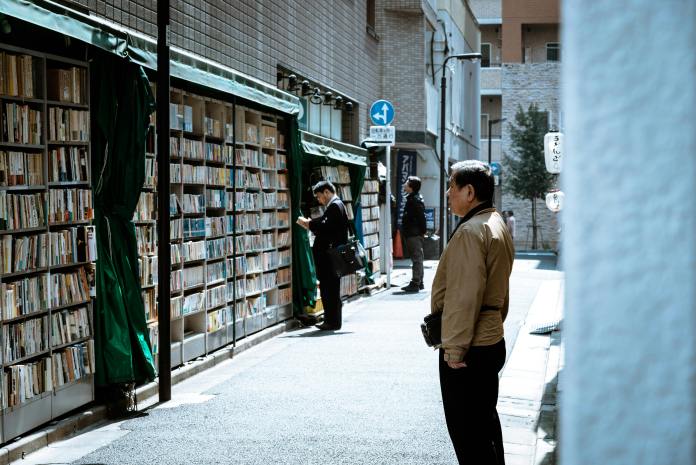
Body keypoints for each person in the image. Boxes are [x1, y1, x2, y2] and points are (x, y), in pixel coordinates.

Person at [431, 160, 514, 464]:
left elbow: (463, 297)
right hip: (490, 337)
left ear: (469, 191)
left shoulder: (471, 231)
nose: (448, 192)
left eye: (451, 185)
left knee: (468, 434)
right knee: (485, 426)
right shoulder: (496, 223)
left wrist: (454, 349)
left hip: (469, 346)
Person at [296, 180, 349, 331]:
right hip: (330, 256)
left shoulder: (334, 206)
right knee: (330, 289)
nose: (319, 200)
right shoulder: (336, 206)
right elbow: (326, 224)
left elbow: (325, 227)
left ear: (327, 192)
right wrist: (313, 223)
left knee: (329, 289)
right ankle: (332, 320)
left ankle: (331, 321)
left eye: (319, 196)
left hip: (329, 257)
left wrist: (309, 224)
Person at [400, 176, 426, 292]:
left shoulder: (415, 199)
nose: (404, 184)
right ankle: (419, 282)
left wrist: (423, 231)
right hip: (413, 232)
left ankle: (416, 283)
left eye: (407, 183)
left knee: (417, 258)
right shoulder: (412, 198)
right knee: (417, 258)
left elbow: (421, 217)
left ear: (411, 187)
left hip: (414, 233)